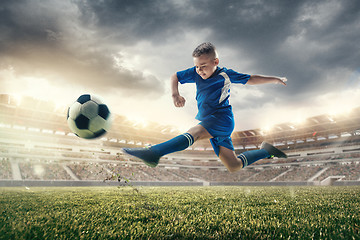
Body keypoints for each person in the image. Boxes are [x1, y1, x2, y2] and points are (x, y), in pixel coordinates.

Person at [123, 42, 287, 172]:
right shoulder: (196, 72)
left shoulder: (225, 74)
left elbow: (250, 79)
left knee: (195, 132)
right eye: (197, 66)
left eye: (203, 66)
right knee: (234, 165)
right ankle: (266, 151)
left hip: (222, 118)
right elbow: (175, 76)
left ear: (215, 62)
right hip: (210, 120)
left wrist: (275, 79)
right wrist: (175, 94)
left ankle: (154, 152)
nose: (199, 70)